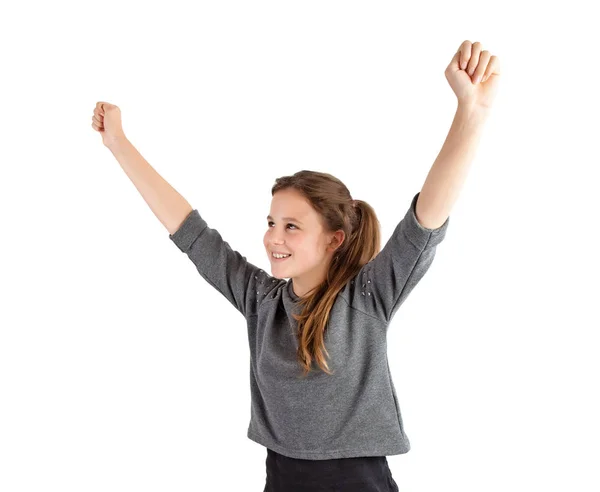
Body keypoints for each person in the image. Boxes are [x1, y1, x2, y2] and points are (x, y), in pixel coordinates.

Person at [91, 39, 499, 492]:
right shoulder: (261, 300)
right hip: (281, 478)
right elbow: (190, 232)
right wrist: (119, 144)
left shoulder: (368, 297)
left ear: (334, 239)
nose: (272, 238)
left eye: (291, 226)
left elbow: (426, 219)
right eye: (271, 222)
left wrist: (471, 113)